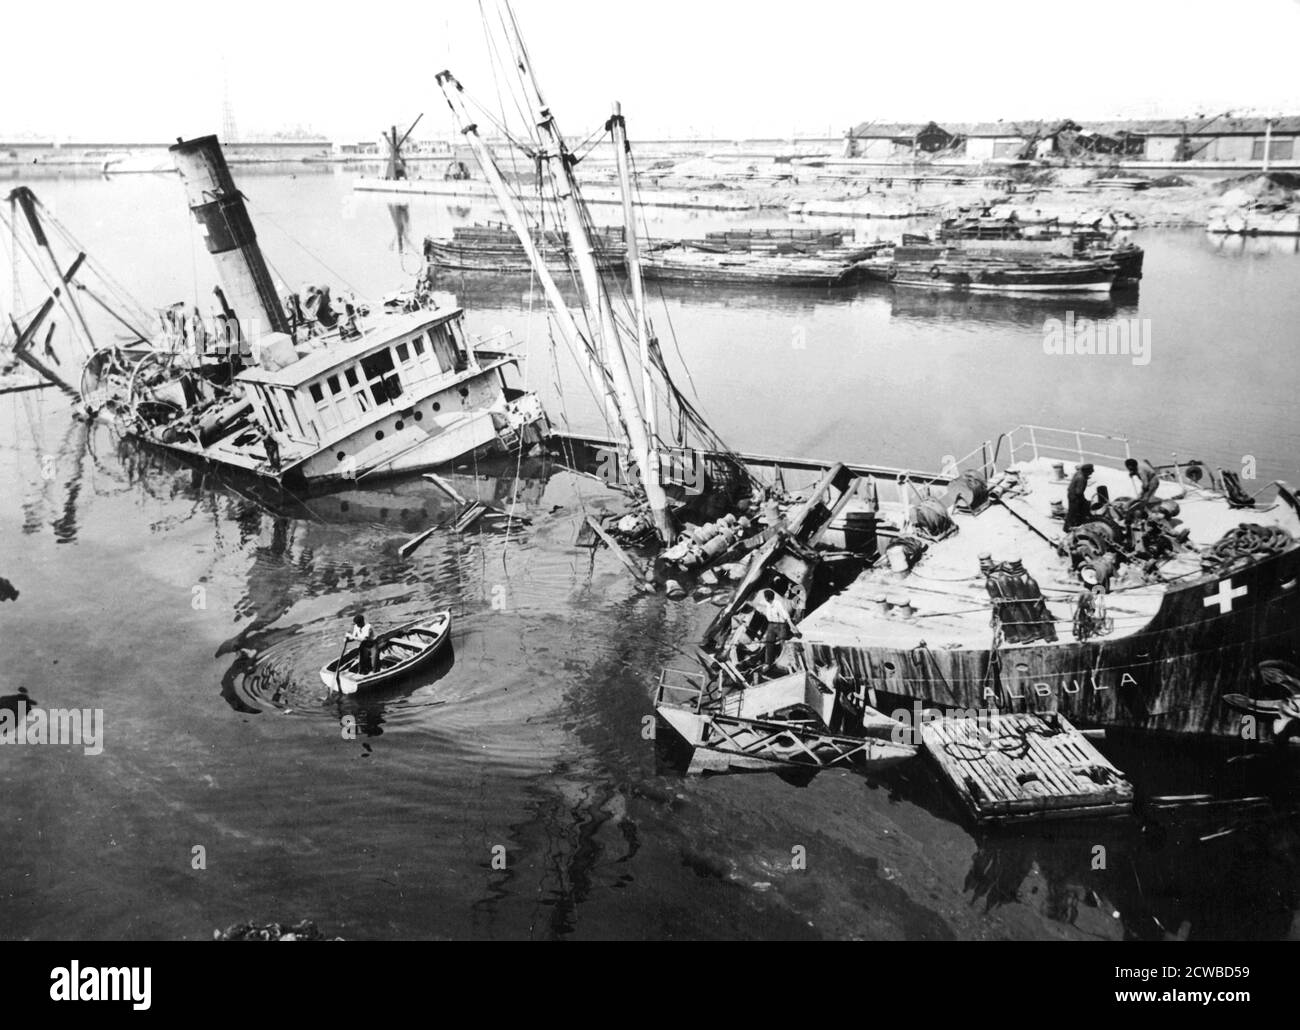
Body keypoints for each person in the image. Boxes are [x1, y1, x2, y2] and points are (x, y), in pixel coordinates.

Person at [757, 588, 800, 667]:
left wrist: (791, 625)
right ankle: (768, 662)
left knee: (783, 641)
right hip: (771, 625)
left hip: (780, 625)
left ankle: (788, 661)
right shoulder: (766, 603)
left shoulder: (778, 604)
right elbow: (759, 603)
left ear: (767, 597)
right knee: (769, 642)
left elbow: (785, 614)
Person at [1064, 463, 1094, 530]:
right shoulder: (1082, 478)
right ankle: (1067, 527)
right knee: (1072, 511)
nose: (1093, 471)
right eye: (1091, 470)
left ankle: (1078, 521)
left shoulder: (1079, 473)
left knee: (1082, 507)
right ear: (1086, 471)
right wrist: (1082, 499)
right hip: (1074, 496)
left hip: (1072, 494)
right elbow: (1079, 492)